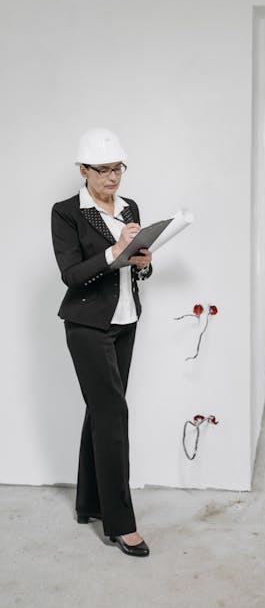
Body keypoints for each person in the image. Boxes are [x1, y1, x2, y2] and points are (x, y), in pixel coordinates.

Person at [51, 128, 153, 557]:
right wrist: (116, 251)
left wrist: (144, 261)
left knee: (101, 412)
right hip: (87, 325)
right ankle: (121, 523)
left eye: (118, 168)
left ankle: (89, 502)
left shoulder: (129, 207)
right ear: (83, 170)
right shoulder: (67, 212)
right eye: (104, 170)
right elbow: (72, 275)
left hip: (126, 321)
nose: (113, 178)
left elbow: (135, 269)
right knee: (113, 418)